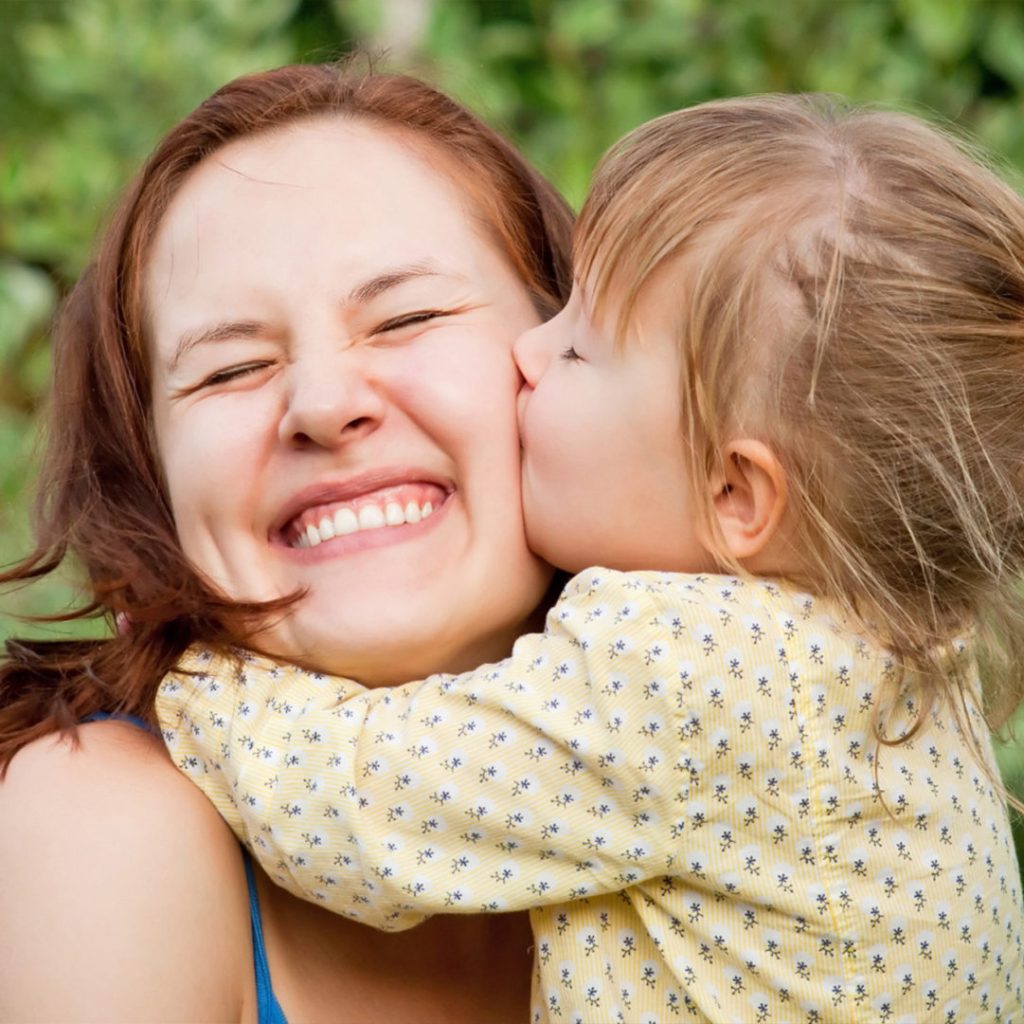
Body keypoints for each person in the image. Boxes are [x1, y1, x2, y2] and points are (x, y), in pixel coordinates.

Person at [157, 95, 1024, 1023]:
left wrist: (192, 669)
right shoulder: (904, 652)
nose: (525, 351)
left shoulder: (689, 671)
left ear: (736, 494)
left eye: (577, 347)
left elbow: (351, 806)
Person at [0, 63, 574, 1022]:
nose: (324, 404)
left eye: (409, 317)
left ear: (573, 357)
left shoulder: (809, 739)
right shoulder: (98, 822)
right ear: (147, 474)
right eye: (232, 368)